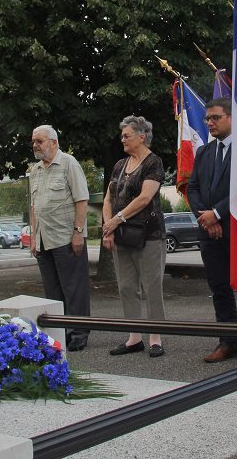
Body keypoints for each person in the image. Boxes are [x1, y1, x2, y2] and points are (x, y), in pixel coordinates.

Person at [188, 98, 237, 364]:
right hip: (209, 232)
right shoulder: (203, 152)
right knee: (220, 288)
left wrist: (218, 214)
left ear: (231, 118)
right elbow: (193, 189)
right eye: (207, 119)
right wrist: (206, 218)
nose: (209, 122)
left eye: (215, 118)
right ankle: (228, 341)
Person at [101, 115, 167, 358]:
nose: (122, 140)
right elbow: (109, 197)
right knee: (127, 286)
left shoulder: (154, 162)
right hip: (121, 235)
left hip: (149, 234)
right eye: (122, 136)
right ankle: (134, 337)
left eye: (126, 136)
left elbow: (144, 198)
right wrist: (109, 225)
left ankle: (156, 337)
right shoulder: (119, 165)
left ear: (142, 136)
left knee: (152, 286)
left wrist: (117, 219)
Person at [29, 124, 91, 351]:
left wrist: (78, 233)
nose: (35, 145)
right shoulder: (35, 170)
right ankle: (59, 331)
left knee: (74, 289)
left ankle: (79, 332)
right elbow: (34, 206)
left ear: (54, 142)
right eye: (34, 141)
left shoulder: (69, 163)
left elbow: (81, 200)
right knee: (52, 292)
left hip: (65, 237)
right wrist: (34, 237)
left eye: (40, 141)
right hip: (44, 239)